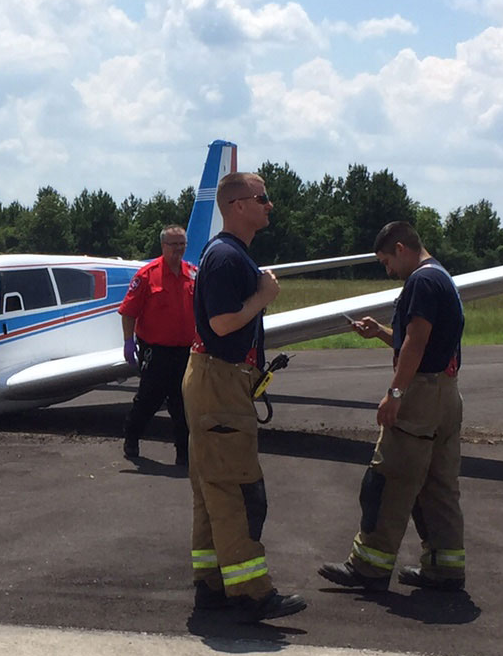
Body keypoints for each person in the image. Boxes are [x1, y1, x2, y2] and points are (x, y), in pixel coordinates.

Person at [181, 173, 306, 622]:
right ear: (236, 206)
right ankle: (251, 592)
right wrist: (264, 297)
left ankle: (212, 584)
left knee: (213, 489)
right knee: (236, 489)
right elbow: (221, 324)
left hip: (218, 380)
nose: (269, 206)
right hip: (219, 381)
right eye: (262, 199)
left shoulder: (229, 255)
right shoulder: (227, 258)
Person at [318, 220, 466, 592]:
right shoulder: (441, 278)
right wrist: (382, 332)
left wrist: (395, 394)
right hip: (446, 393)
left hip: (420, 395)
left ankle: (368, 566)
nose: (388, 270)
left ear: (401, 249)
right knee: (438, 485)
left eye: (387, 262)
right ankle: (445, 567)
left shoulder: (420, 281)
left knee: (389, 479)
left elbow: (416, 343)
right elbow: (426, 344)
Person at [118, 225, 196, 464]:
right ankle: (131, 439)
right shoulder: (146, 275)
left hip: (185, 351)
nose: (179, 249)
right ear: (163, 246)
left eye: (182, 244)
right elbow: (128, 312)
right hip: (157, 352)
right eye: (174, 245)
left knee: (183, 405)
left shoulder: (193, 273)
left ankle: (184, 454)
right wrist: (128, 342)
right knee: (147, 401)